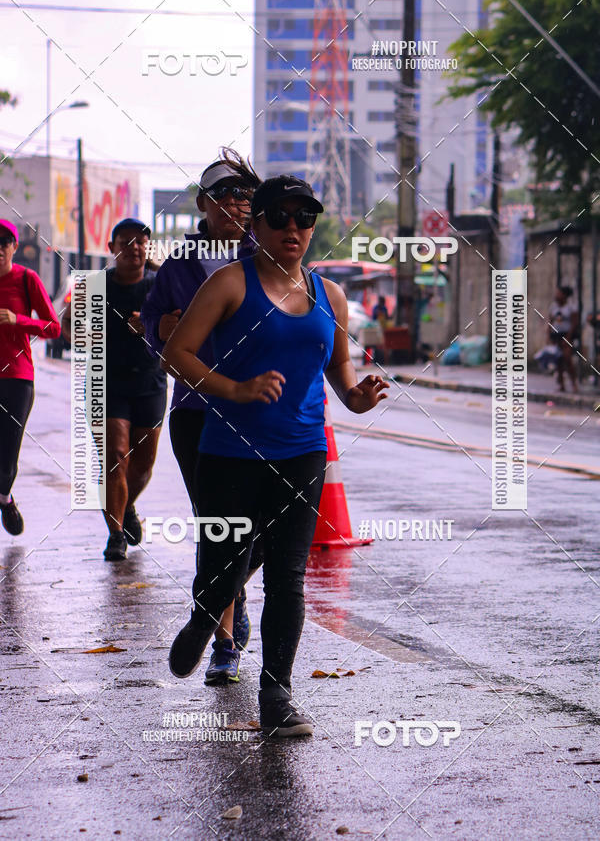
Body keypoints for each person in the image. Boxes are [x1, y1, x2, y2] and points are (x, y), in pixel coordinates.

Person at [162, 175, 389, 737]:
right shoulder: (228, 284)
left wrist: (355, 398)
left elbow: (338, 369)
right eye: (280, 217)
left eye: (304, 218)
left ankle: (277, 696)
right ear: (256, 224)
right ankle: (203, 617)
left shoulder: (327, 294)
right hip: (230, 454)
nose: (293, 228)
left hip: (302, 452)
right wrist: (234, 389)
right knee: (222, 571)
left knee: (287, 578)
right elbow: (176, 353)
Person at [141, 149, 261, 685]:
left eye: (246, 195)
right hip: (195, 411)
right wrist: (162, 330)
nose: (238, 203)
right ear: (204, 205)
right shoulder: (178, 267)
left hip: (259, 412)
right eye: (227, 195)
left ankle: (215, 602)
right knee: (217, 526)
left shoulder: (270, 257)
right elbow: (153, 328)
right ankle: (224, 644)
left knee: (268, 528)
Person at [62, 218, 167, 560]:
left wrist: (151, 326)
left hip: (150, 381)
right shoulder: (95, 285)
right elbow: (66, 322)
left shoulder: (159, 285)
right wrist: (82, 338)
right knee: (115, 458)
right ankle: (116, 535)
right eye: (126, 241)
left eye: (140, 241)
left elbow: (181, 322)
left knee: (142, 466)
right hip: (106, 382)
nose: (134, 247)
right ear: (112, 248)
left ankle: (126, 507)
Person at [0, 219, 61, 535]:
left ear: (13, 246)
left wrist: (18, 319)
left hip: (17, 378)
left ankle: (5, 498)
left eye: (3, 242)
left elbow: (54, 327)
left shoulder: (27, 279)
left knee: (7, 451)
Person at [548, 286, 579, 393]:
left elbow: (574, 323)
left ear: (565, 296)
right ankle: (561, 384)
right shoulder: (554, 306)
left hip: (567, 335)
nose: (557, 295)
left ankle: (574, 383)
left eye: (559, 293)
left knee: (567, 358)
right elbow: (550, 321)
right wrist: (548, 336)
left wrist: (568, 337)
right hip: (556, 335)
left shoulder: (571, 307)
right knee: (558, 360)